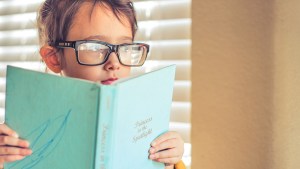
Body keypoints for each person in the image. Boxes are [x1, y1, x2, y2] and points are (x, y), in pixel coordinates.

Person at [0, 0, 185, 168]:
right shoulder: (20, 132)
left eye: (125, 46)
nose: (114, 62)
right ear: (54, 58)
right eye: (95, 47)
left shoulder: (142, 123)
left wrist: (170, 162)